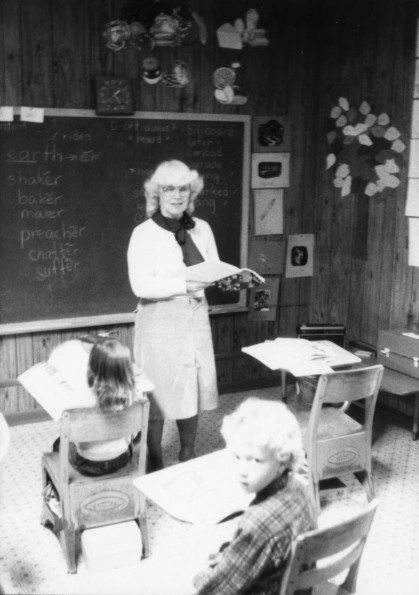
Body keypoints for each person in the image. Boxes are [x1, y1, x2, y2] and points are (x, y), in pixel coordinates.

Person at [127, 160, 219, 471]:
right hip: (158, 322)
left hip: (194, 319)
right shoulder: (143, 233)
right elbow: (141, 285)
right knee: (158, 396)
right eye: (169, 189)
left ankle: (187, 454)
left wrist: (230, 278)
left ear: (191, 193)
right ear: (157, 193)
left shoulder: (202, 228)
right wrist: (185, 285)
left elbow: (212, 269)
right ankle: (154, 459)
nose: (177, 195)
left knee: (190, 388)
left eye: (183, 189)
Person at [193, 398, 317, 595]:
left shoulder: (257, 522)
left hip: (272, 589)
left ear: (282, 459)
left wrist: (200, 579)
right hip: (299, 586)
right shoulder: (300, 487)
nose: (242, 470)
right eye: (237, 457)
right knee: (227, 551)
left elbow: (216, 588)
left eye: (256, 460)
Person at [52, 337, 139, 477]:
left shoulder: (80, 397)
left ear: (91, 364)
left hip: (86, 462)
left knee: (59, 442)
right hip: (122, 458)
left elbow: (67, 428)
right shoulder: (134, 396)